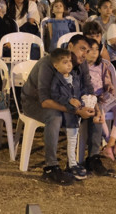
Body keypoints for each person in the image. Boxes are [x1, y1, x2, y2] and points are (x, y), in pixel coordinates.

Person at [20, 37, 107, 185]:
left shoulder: (82, 63)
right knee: (55, 116)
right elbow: (45, 100)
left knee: (93, 110)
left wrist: (97, 109)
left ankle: (93, 158)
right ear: (71, 46)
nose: (84, 54)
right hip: (34, 103)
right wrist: (76, 111)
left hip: (69, 101)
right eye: (82, 49)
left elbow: (88, 89)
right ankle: (51, 167)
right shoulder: (49, 63)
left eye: (87, 51)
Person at [48, 48, 93, 179]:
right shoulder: (56, 79)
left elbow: (80, 90)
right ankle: (72, 164)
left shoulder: (74, 77)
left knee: (74, 139)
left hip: (76, 113)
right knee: (72, 140)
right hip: (68, 114)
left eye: (70, 62)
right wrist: (69, 100)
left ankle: (73, 163)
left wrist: (84, 101)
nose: (69, 64)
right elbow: (55, 95)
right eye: (65, 62)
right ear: (56, 66)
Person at [83, 37, 116, 161]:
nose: (95, 52)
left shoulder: (102, 65)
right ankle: (109, 144)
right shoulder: (82, 67)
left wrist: (109, 87)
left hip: (104, 96)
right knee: (100, 112)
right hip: (92, 99)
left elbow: (106, 81)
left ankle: (110, 143)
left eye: (97, 49)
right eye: (92, 49)